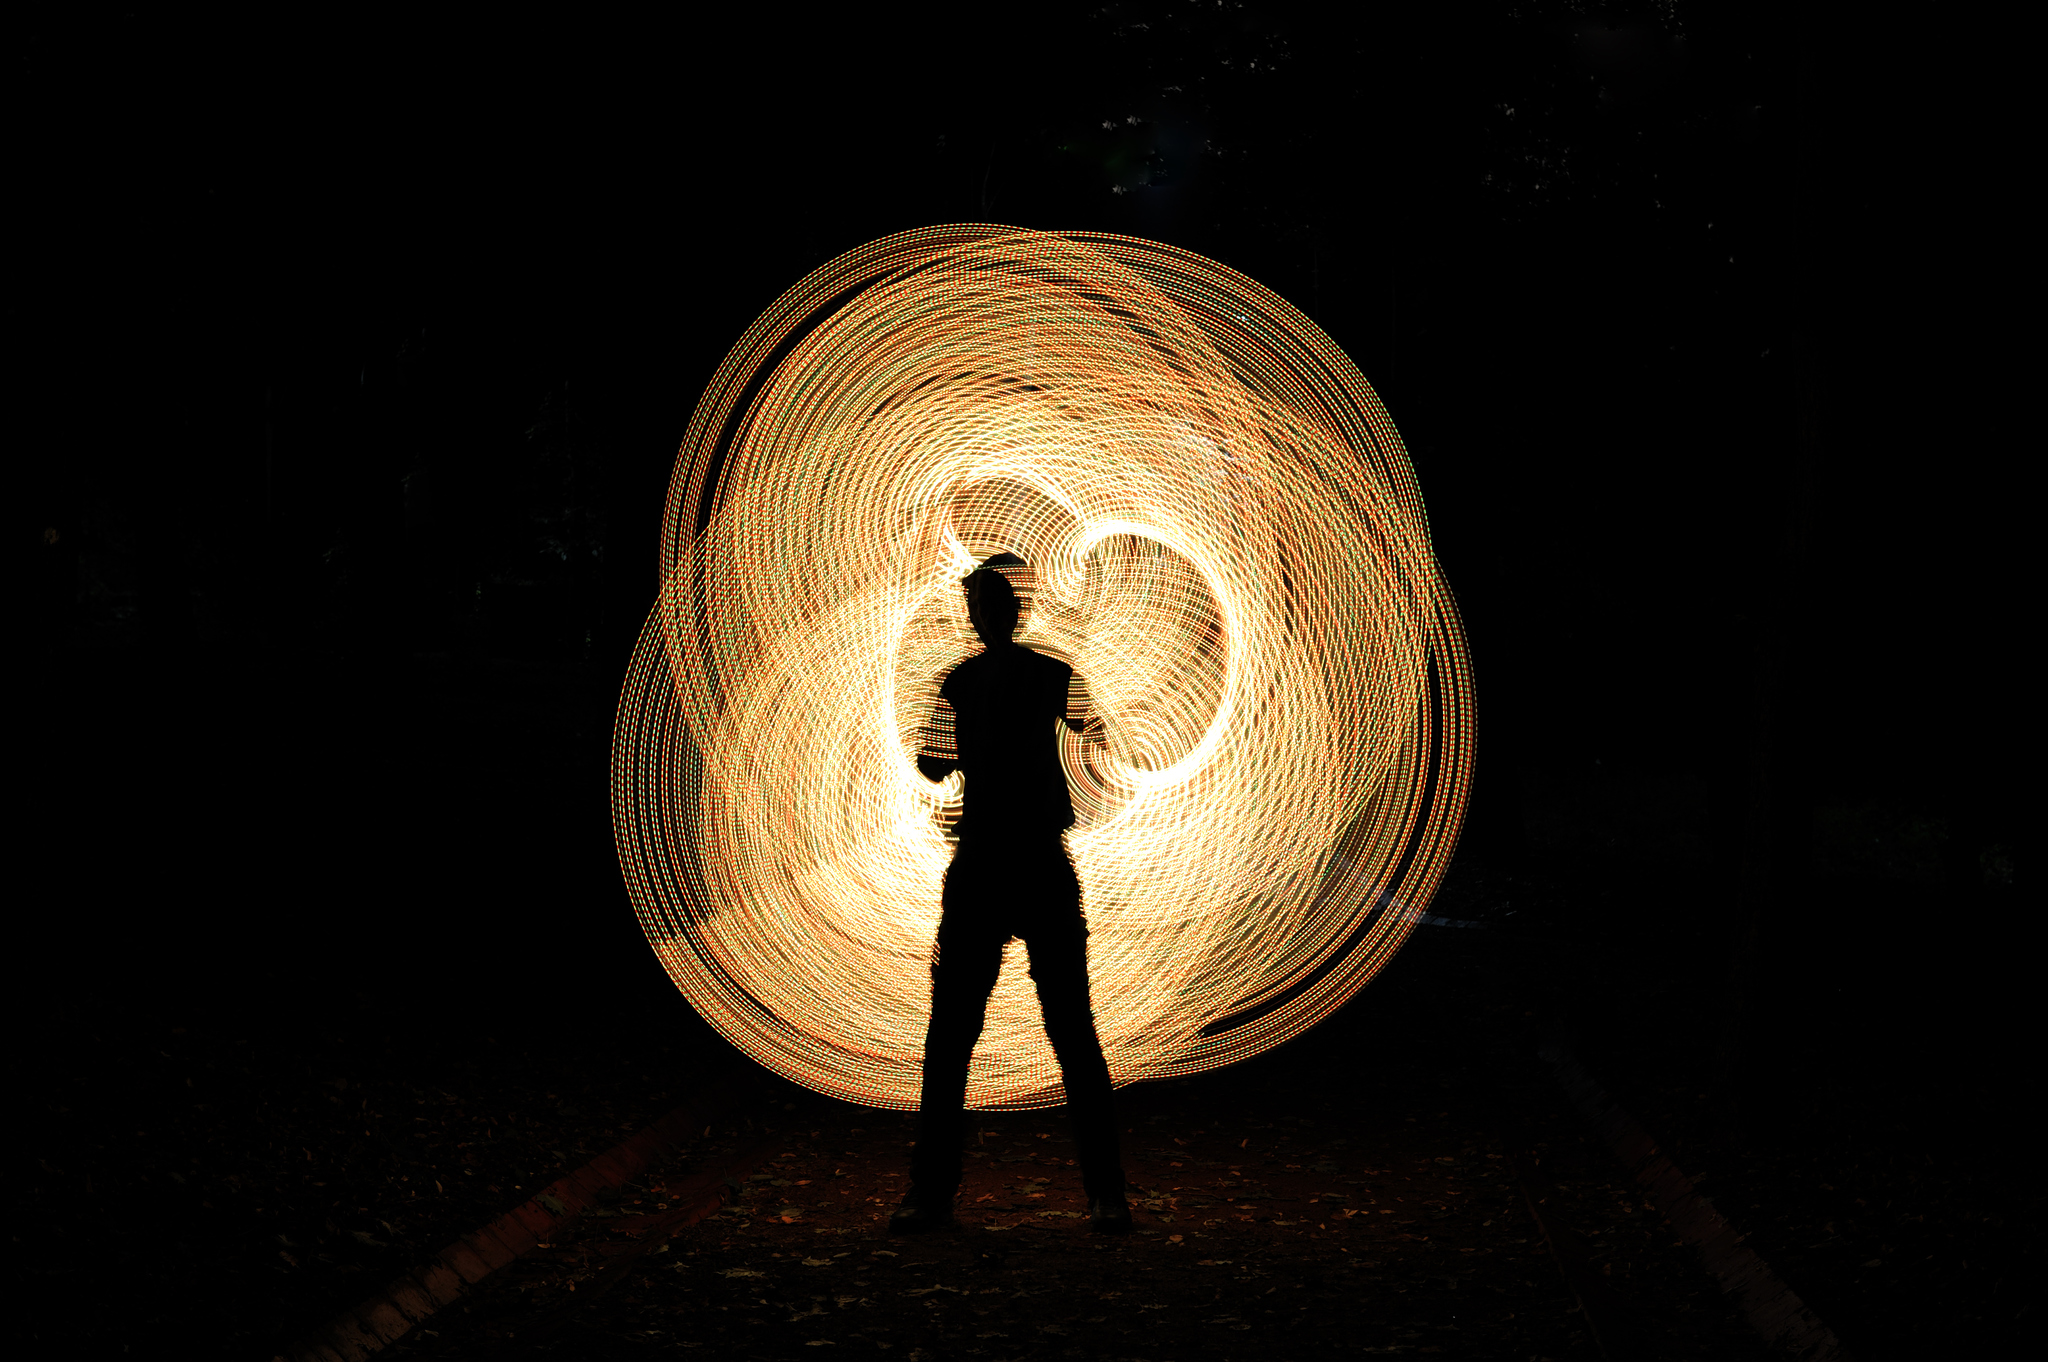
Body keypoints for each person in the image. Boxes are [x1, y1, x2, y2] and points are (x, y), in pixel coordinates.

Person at [890, 554, 1132, 1235]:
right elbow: (1098, 734)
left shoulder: (959, 682)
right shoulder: (1055, 674)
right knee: (1074, 1034)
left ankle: (930, 1197)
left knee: (951, 1038)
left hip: (982, 865)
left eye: (976, 608)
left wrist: (961, 741)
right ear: (1017, 612)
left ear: (979, 615)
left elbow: (932, 768)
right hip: (1041, 862)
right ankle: (1106, 1197)